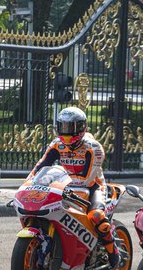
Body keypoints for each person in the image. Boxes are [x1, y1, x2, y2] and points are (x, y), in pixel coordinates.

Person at [28, 106, 120, 268]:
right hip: (67, 186)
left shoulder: (94, 147)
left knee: (96, 216)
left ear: (81, 128)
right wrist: (29, 183)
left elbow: (87, 178)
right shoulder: (57, 144)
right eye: (62, 127)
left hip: (93, 187)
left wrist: (63, 185)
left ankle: (114, 253)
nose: (66, 132)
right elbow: (41, 166)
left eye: (70, 128)